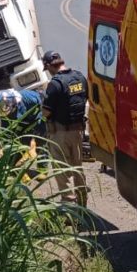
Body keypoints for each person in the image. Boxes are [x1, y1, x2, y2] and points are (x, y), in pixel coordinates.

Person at [41, 50, 89, 206]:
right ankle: (82, 204)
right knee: (77, 167)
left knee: (61, 171)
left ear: (49, 66)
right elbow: (84, 99)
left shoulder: (55, 84)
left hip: (59, 133)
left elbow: (46, 112)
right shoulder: (80, 78)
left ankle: (69, 209)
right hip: (78, 131)